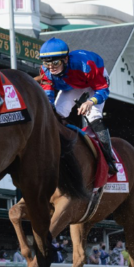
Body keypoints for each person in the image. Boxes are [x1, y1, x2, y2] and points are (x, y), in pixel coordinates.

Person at [38, 37, 115, 174]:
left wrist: (90, 102)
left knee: (94, 116)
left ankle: (109, 159)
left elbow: (103, 89)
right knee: (56, 115)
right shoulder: (46, 71)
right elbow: (48, 96)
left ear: (66, 59)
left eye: (55, 62)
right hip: (72, 84)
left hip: (94, 83)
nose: (51, 67)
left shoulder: (86, 65)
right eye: (47, 63)